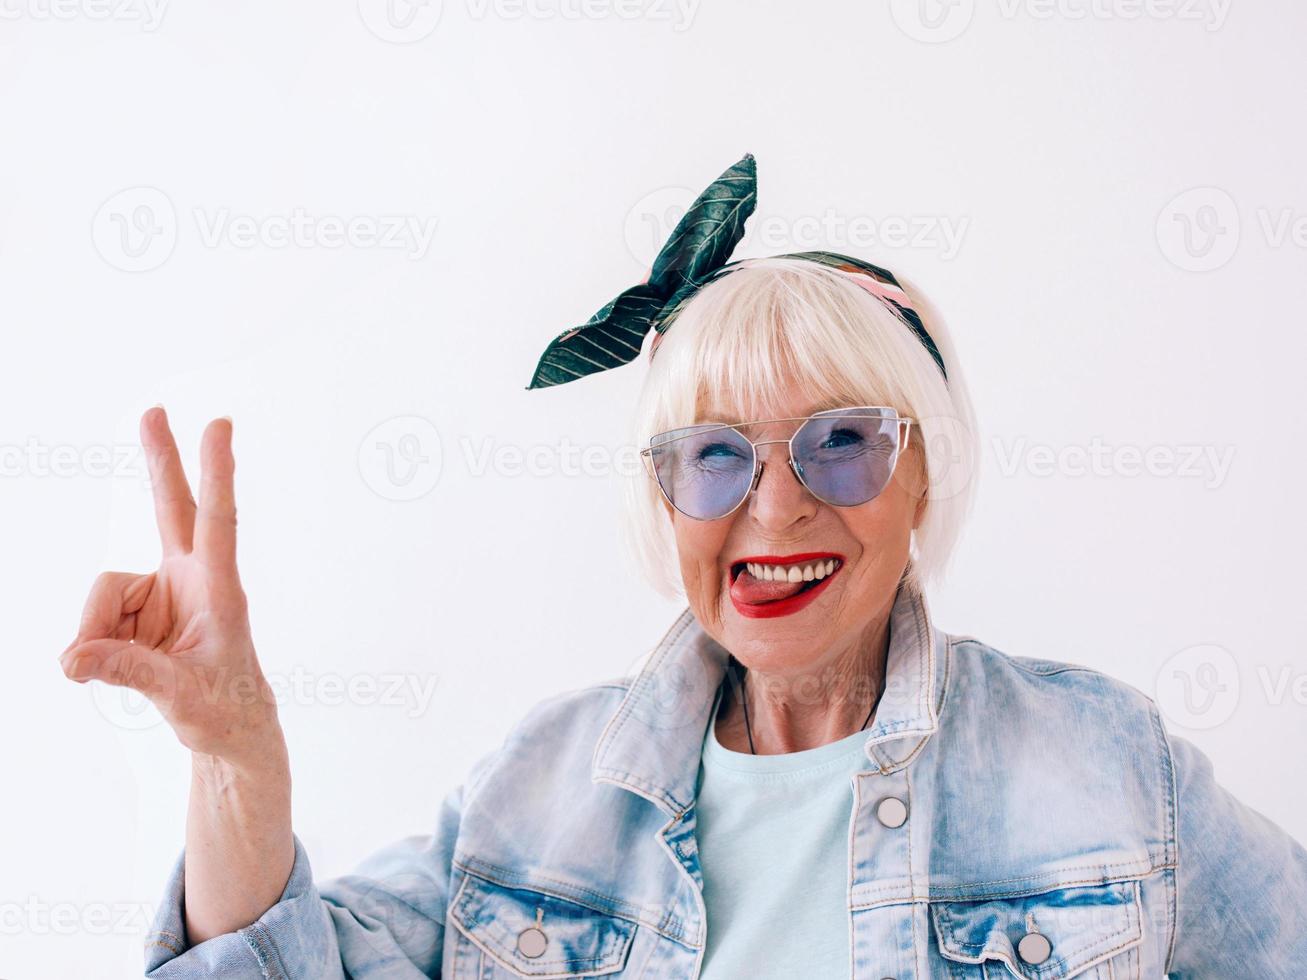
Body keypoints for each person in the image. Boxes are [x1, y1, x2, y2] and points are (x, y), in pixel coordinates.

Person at [61, 155, 1307, 978]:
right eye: (712, 456)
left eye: (840, 444)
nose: (773, 506)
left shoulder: (1109, 771)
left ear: (926, 472)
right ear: (661, 497)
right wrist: (234, 756)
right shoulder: (536, 790)